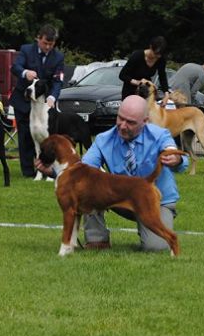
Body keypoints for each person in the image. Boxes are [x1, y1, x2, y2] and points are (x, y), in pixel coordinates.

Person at [54, 94, 188, 251]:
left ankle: (157, 235)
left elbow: (172, 152)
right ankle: (97, 240)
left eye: (130, 122)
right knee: (87, 187)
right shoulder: (104, 139)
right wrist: (53, 170)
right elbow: (81, 169)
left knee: (156, 247)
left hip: (157, 201)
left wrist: (176, 158)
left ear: (145, 121)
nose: (123, 126)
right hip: (119, 197)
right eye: (120, 119)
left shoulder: (160, 135)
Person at [10, 24, 65, 177]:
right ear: (38, 39)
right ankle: (28, 171)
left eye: (51, 44)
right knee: (25, 136)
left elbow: (58, 81)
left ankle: (47, 168)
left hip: (43, 104)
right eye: (45, 43)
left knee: (47, 137)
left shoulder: (58, 57)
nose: (48, 47)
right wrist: (25, 72)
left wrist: (52, 97)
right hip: (23, 100)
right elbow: (15, 67)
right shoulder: (26, 50)